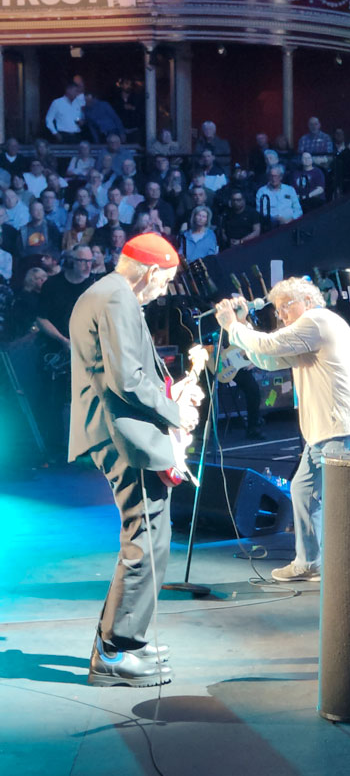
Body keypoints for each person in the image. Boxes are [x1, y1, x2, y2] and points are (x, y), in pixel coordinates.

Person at [69, 232, 202, 686]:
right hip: (122, 434)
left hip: (117, 430)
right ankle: (116, 650)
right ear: (149, 272)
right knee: (146, 537)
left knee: (148, 535)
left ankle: (126, 639)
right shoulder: (117, 297)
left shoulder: (103, 293)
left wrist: (169, 397)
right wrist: (174, 412)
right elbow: (127, 378)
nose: (162, 291)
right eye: (164, 281)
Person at [214, 276, 350, 583]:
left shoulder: (317, 322)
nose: (281, 314)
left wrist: (233, 326)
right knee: (302, 490)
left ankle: (345, 571)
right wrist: (241, 325)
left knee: (339, 503)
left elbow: (269, 344)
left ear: (308, 301)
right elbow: (268, 359)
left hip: (338, 431)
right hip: (323, 432)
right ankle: (310, 562)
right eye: (278, 309)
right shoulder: (310, 330)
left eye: (285, 306)